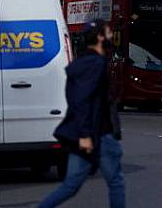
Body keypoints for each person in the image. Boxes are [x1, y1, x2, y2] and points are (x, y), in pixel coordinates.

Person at [39, 21, 125, 208]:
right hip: (98, 134)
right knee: (116, 182)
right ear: (100, 37)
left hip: (90, 133)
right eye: (109, 32)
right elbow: (81, 101)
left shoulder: (82, 63)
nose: (112, 36)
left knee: (71, 186)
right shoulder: (95, 64)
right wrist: (86, 135)